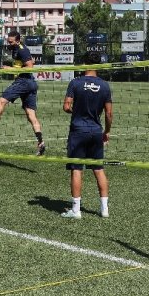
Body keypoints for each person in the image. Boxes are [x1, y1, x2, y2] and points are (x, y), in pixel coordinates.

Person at [0, 30, 45, 155]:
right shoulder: (16, 48)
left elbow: (30, 66)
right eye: (8, 41)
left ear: (17, 41)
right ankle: (41, 143)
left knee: (1, 101)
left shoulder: (22, 49)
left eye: (11, 42)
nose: (9, 43)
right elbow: (28, 61)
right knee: (31, 115)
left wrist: (10, 69)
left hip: (24, 82)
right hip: (29, 83)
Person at [60, 51, 112, 219]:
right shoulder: (104, 86)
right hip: (96, 131)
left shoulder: (75, 83)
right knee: (99, 169)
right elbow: (109, 114)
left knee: (77, 169)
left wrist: (77, 111)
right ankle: (104, 210)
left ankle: (76, 211)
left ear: (85, 64)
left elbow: (66, 106)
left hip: (78, 130)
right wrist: (107, 131)